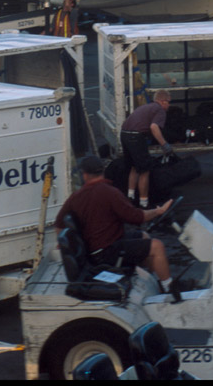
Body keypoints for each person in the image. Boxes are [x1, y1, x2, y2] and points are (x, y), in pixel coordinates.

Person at [55, 156, 181, 300]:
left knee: (143, 236)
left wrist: (63, 245)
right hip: (107, 252)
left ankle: (155, 281)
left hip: (96, 249)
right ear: (103, 172)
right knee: (157, 247)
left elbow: (59, 224)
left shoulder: (75, 197)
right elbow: (136, 217)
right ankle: (170, 290)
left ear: (84, 175)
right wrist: (157, 212)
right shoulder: (110, 192)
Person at [120, 89, 172, 209]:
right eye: (168, 102)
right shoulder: (159, 110)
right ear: (163, 101)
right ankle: (144, 203)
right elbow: (154, 127)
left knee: (134, 167)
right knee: (145, 170)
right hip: (136, 137)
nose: (169, 105)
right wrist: (165, 145)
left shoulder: (146, 107)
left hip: (124, 134)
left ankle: (130, 196)